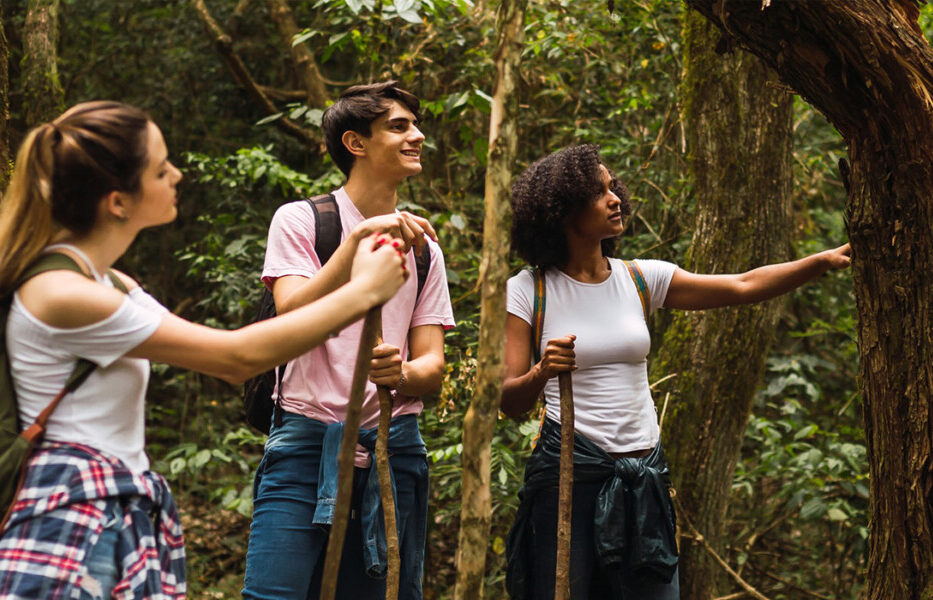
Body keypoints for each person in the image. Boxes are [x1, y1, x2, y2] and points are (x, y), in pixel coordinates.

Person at [0, 101, 409, 600]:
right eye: (160, 169)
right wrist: (363, 292)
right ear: (118, 201)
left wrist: (353, 246)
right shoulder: (64, 294)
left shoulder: (108, 283)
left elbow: (255, 342)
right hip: (70, 514)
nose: (176, 174)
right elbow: (236, 357)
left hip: (112, 507)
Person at [501, 144, 851, 599]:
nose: (615, 199)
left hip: (645, 476)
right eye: (599, 193)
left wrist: (821, 261)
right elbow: (510, 401)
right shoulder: (529, 289)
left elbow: (742, 285)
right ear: (563, 209)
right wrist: (542, 371)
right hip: (570, 476)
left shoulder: (640, 279)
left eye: (613, 188)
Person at [242, 81, 455, 600]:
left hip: (393, 447)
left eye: (416, 126)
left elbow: (432, 366)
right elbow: (292, 309)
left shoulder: (423, 247)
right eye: (399, 127)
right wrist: (360, 239)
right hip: (306, 443)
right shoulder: (303, 220)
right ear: (356, 143)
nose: (417, 136)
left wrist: (400, 374)